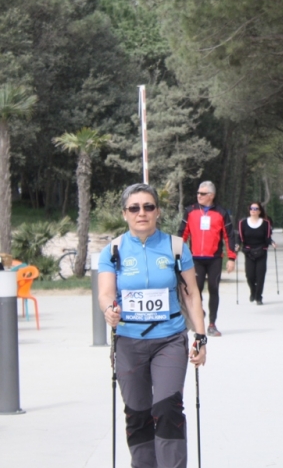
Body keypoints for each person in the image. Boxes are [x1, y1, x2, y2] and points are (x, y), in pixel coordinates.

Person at [98, 183, 207, 468]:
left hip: (169, 339)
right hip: (129, 341)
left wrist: (201, 337)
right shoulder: (113, 250)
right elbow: (106, 292)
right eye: (134, 208)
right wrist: (110, 309)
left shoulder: (175, 246)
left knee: (168, 409)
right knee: (137, 413)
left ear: (157, 211)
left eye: (148, 207)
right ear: (125, 214)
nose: (141, 213)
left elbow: (191, 293)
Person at [178, 180, 236, 336]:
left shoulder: (221, 213)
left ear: (211, 195)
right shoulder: (190, 211)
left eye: (202, 194)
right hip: (195, 258)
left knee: (213, 288)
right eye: (198, 193)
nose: (198, 196)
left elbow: (229, 235)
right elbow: (182, 233)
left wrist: (231, 258)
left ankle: (212, 324)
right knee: (195, 290)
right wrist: (176, 254)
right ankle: (199, 321)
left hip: (214, 258)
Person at [238, 201, 276, 305]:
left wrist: (272, 242)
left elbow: (267, 237)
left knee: (260, 275)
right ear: (249, 210)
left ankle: (259, 297)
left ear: (259, 211)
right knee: (249, 276)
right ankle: (253, 291)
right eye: (251, 208)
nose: (253, 211)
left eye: (256, 209)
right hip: (249, 251)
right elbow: (240, 238)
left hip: (261, 251)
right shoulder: (243, 223)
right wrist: (237, 245)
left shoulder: (266, 223)